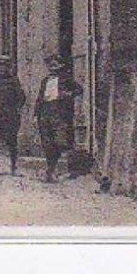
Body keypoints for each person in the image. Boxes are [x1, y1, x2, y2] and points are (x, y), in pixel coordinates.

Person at [34, 54, 83, 182]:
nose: (52, 67)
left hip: (58, 111)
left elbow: (79, 89)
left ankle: (63, 169)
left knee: (60, 141)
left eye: (54, 64)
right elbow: (40, 98)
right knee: (47, 142)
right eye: (50, 65)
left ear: (60, 66)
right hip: (45, 111)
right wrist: (36, 114)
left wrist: (68, 94)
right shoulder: (45, 81)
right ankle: (50, 171)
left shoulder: (65, 79)